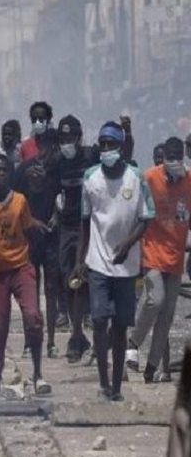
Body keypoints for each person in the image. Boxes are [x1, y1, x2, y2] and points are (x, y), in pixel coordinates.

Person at [74, 122, 153, 402]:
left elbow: (146, 219)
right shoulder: (90, 178)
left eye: (111, 144)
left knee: (119, 327)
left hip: (127, 265)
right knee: (98, 320)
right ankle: (103, 381)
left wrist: (129, 244)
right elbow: (85, 222)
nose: (106, 149)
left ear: (120, 147)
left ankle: (117, 386)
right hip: (98, 262)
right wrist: (80, 259)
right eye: (102, 145)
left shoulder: (136, 177)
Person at [0, 154, 51, 400]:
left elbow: (29, 230)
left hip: (20, 268)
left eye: (6, 170)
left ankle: (37, 374)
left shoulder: (19, 201)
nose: (1, 174)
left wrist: (34, 261)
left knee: (33, 317)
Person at [56, 114, 134, 363]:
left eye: (70, 137)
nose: (66, 142)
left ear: (79, 138)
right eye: (63, 137)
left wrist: (127, 132)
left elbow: (124, 154)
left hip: (96, 225)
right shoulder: (58, 161)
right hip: (69, 226)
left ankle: (103, 333)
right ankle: (76, 334)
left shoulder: (91, 156)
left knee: (98, 279)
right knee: (71, 281)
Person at [126, 137, 190, 383]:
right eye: (169, 160)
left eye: (177, 159)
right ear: (164, 160)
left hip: (175, 257)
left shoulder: (189, 181)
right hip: (152, 252)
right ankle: (134, 342)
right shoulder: (149, 177)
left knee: (167, 315)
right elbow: (135, 211)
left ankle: (151, 367)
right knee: (155, 300)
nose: (174, 164)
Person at [14, 129, 61, 358]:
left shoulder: (57, 171)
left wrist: (56, 217)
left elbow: (63, 198)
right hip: (30, 238)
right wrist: (32, 221)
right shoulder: (23, 170)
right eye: (42, 146)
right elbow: (14, 203)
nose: (46, 153)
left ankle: (51, 342)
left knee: (51, 290)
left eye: (50, 148)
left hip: (52, 238)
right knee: (30, 292)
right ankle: (29, 341)